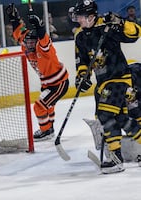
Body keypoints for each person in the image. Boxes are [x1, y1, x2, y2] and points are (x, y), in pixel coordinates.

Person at [73, 0, 141, 174]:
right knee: (120, 119)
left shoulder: (108, 26)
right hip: (104, 82)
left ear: (90, 17)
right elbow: (82, 61)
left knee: (105, 114)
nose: (78, 19)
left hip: (120, 78)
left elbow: (135, 34)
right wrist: (82, 77)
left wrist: (121, 22)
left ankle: (116, 159)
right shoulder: (80, 36)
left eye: (80, 16)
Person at [6, 4, 69, 141]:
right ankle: (50, 127)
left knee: (40, 107)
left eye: (31, 43)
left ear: (36, 42)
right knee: (48, 106)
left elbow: (44, 39)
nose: (28, 45)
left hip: (58, 83)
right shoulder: (26, 44)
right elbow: (19, 32)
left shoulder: (43, 49)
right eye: (26, 43)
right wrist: (13, 17)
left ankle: (45, 131)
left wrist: (40, 26)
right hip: (47, 83)